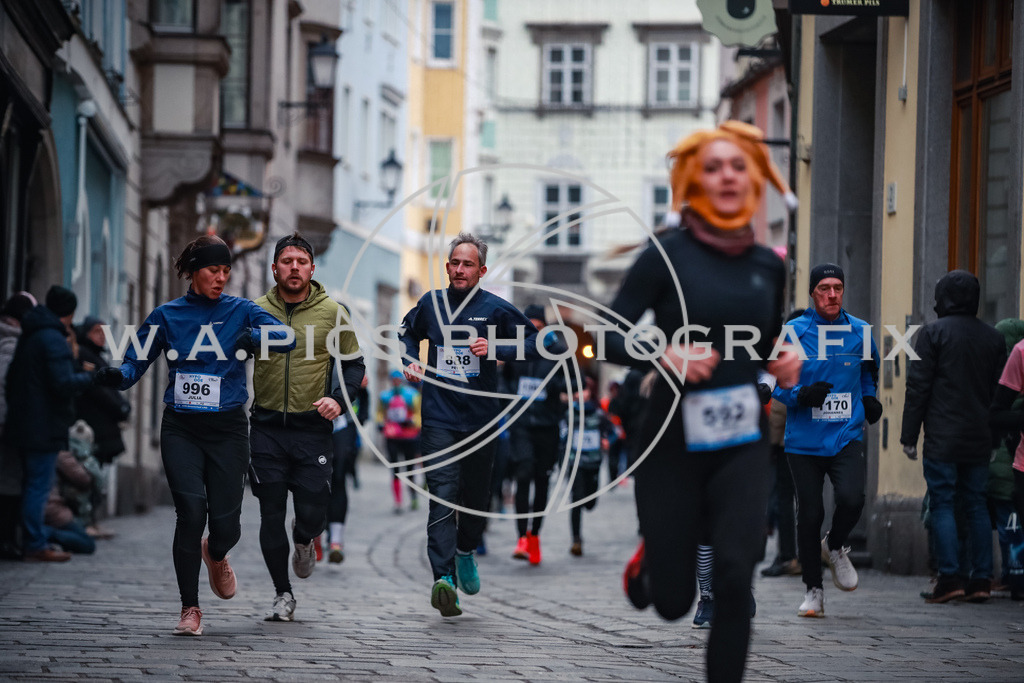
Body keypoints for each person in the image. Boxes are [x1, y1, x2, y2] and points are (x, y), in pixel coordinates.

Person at [608, 121, 801, 683]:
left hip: (742, 439)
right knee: (670, 601)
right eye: (714, 167)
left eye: (738, 166)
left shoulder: (769, 264)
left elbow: (763, 340)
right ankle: (651, 565)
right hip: (671, 438)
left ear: (754, 180)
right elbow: (605, 334)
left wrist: (779, 359)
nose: (727, 177)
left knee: (736, 577)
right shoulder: (664, 255)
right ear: (694, 179)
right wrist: (663, 351)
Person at [93, 234, 294, 636]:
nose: (220, 278)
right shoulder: (167, 315)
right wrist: (117, 377)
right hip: (181, 427)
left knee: (227, 525)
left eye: (225, 271)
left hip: (228, 429)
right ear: (193, 272)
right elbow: (135, 363)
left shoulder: (241, 310)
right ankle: (190, 608)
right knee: (190, 513)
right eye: (212, 270)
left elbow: (286, 338)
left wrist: (252, 338)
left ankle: (216, 553)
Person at [399, 232, 541, 617]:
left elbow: (536, 342)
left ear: (481, 270)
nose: (460, 270)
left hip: (481, 421)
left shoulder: (496, 309)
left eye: (467, 264)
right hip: (440, 418)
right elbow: (406, 333)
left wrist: (497, 349)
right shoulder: (430, 304)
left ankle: (465, 552)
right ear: (447, 267)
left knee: (477, 499)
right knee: (442, 493)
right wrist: (410, 360)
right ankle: (443, 579)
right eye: (454, 263)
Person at [248, 233, 364, 621]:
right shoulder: (256, 309)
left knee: (313, 514)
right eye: (286, 261)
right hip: (265, 426)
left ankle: (304, 538)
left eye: (301, 261)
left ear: (312, 269)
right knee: (270, 512)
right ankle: (283, 594)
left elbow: (354, 365)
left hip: (311, 428)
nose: (294, 267)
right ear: (275, 268)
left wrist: (339, 399)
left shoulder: (332, 312)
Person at [773, 263, 882, 618]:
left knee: (852, 498)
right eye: (824, 288)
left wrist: (868, 398)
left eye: (837, 287)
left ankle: (834, 545)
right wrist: (801, 395)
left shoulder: (861, 331)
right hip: (804, 440)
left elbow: (868, 372)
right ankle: (813, 590)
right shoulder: (793, 332)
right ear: (812, 292)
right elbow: (774, 383)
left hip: (845, 432)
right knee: (810, 513)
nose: (832, 294)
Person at [900, 271, 1004, 604]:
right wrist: (996, 437)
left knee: (943, 502)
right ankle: (982, 580)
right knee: (976, 503)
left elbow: (918, 388)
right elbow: (999, 392)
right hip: (980, 435)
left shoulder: (932, 334)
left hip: (942, 436)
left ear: (941, 297)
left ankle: (950, 578)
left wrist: (908, 435)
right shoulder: (992, 338)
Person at [5, 286, 95, 563]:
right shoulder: (53, 339)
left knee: (31, 484)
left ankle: (33, 538)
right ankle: (35, 542)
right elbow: (62, 384)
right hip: (42, 427)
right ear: (68, 314)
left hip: (27, 423)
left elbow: (13, 381)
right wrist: (93, 377)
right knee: (38, 487)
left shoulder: (32, 335)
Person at [503, 303, 566, 565]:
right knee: (523, 473)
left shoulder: (558, 350)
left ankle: (535, 536)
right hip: (521, 424)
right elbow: (503, 378)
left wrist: (552, 386)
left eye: (538, 326)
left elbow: (571, 382)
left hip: (547, 425)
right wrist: (508, 397)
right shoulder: (515, 350)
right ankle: (521, 538)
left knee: (541, 481)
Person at [761, 310, 805, 578]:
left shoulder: (785, 350)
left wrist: (771, 443)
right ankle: (793, 554)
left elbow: (778, 406)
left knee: (784, 496)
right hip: (795, 436)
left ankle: (789, 555)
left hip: (784, 440)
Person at [0, 291, 36, 559]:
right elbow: (4, 388)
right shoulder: (11, 344)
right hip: (6, 425)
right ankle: (6, 540)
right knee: (10, 482)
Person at [564, 377, 612, 557]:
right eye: (577, 390)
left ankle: (588, 499)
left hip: (594, 462)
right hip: (575, 463)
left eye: (584, 390)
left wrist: (606, 440)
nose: (580, 394)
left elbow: (612, 432)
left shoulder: (599, 414)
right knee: (576, 499)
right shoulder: (569, 413)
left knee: (590, 503)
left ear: (590, 392)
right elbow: (562, 436)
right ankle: (576, 539)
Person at [326, 374, 369, 564]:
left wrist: (361, 417)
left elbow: (363, 389)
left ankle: (336, 540)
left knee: (338, 478)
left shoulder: (348, 350)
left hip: (343, 424)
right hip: (310, 420)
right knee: (313, 480)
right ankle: (312, 534)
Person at [378, 369, 422, 513]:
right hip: (392, 436)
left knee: (410, 470)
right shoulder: (385, 396)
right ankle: (398, 502)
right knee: (395, 469)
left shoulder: (412, 395)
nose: (396, 382)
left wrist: (411, 421)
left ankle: (413, 497)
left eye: (398, 380)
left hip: (409, 436)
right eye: (394, 380)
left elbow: (419, 414)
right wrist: (381, 423)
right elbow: (380, 413)